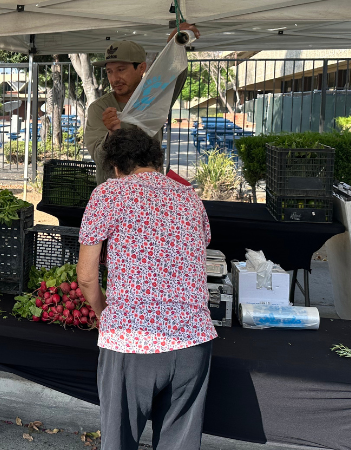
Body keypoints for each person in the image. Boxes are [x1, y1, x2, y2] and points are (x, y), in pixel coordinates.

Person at [76, 127, 217, 450]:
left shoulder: (109, 194)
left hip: (130, 341)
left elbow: (86, 276)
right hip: (192, 341)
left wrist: (103, 314)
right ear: (156, 160)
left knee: (120, 442)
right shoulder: (190, 198)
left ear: (115, 167)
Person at [84, 23, 200, 184]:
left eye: (121, 69)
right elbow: (98, 158)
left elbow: (174, 74)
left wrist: (174, 45)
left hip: (151, 194)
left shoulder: (154, 98)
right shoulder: (99, 108)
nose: (114, 78)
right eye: (109, 71)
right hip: (114, 200)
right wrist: (110, 135)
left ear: (141, 68)